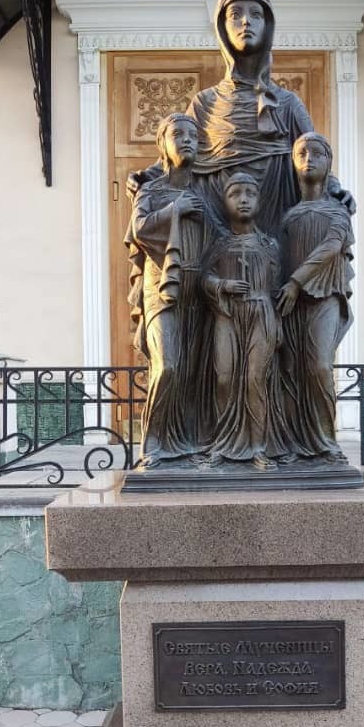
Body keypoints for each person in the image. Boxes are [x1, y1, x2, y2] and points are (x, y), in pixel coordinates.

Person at [128, 0, 354, 240]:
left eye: (255, 14)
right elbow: (177, 153)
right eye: (235, 14)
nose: (246, 21)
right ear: (222, 28)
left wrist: (334, 189)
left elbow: (312, 153)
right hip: (217, 220)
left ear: (267, 27)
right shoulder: (205, 103)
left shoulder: (288, 103)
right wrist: (147, 178)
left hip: (275, 216)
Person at [126, 113, 215, 467]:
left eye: (193, 135)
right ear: (162, 144)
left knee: (193, 371)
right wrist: (174, 210)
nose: (187, 140)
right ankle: (153, 444)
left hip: (199, 289)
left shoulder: (206, 191)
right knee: (169, 366)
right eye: (178, 134)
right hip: (161, 288)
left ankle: (186, 443)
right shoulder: (151, 190)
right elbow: (139, 228)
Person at [278, 132, 354, 461]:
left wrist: (296, 281)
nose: (309, 159)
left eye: (317, 153)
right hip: (290, 303)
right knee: (290, 370)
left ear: (329, 163)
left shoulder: (337, 211)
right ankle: (294, 443)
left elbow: (331, 247)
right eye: (302, 153)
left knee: (320, 367)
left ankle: (325, 442)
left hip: (324, 296)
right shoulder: (288, 216)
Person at [203, 172, 285, 468]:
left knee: (254, 379)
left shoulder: (270, 245)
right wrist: (221, 285)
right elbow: (204, 278)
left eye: (250, 193)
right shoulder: (219, 245)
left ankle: (258, 447)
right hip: (227, 316)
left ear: (260, 201)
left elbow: (277, 288)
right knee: (224, 377)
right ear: (224, 202)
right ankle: (224, 445)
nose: (243, 199)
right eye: (235, 193)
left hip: (261, 315)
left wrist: (277, 326)